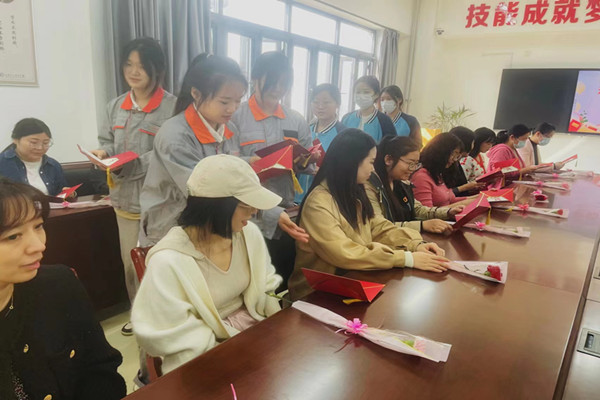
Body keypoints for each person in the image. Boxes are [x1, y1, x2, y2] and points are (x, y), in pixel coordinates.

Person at [132, 155, 283, 374]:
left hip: (254, 335)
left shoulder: (247, 234)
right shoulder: (168, 261)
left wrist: (275, 328)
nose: (254, 212)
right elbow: (169, 331)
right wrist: (232, 348)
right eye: (246, 205)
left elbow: (266, 284)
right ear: (217, 207)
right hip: (205, 354)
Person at [0, 178, 126, 400]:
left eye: (38, 226)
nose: (39, 245)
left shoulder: (58, 285)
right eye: (13, 236)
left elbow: (100, 369)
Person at [288, 129, 449, 301]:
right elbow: (343, 253)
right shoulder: (318, 203)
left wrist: (415, 245)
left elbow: (377, 226)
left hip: (353, 280)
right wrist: (406, 258)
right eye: (371, 162)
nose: (373, 169)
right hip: (316, 295)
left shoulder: (354, 191)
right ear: (352, 162)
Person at [90, 38, 176, 335]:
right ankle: (138, 314)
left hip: (161, 202)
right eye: (129, 64)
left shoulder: (172, 107)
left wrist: (133, 165)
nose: (134, 71)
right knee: (131, 264)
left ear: (157, 68)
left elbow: (170, 151)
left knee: (160, 261)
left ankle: (164, 318)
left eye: (141, 65)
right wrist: (103, 154)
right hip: (125, 201)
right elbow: (106, 142)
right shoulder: (115, 106)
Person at [139, 53, 247, 247]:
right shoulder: (175, 135)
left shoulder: (229, 129)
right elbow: (203, 188)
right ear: (196, 94)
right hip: (171, 230)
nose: (232, 109)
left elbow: (223, 167)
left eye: (238, 101)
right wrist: (264, 210)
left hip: (208, 226)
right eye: (224, 102)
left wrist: (248, 164)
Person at [230, 51, 312, 285]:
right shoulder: (236, 116)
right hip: (247, 215)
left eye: (284, 83)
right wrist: (252, 162)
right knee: (250, 281)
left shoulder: (295, 119)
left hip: (284, 212)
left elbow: (306, 162)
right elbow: (225, 162)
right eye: (272, 82)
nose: (278, 89)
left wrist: (306, 160)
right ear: (255, 78)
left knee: (281, 279)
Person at [365, 136, 464, 234]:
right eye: (410, 163)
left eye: (416, 164)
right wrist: (422, 225)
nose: (412, 169)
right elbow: (379, 226)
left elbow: (417, 209)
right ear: (388, 160)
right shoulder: (370, 186)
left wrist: (448, 212)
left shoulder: (402, 183)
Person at [295, 83, 347, 203]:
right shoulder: (305, 129)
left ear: (337, 104)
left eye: (326, 102)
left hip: (325, 199)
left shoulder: (343, 134)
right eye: (315, 102)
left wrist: (324, 172)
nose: (320, 106)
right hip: (298, 197)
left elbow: (347, 168)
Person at [0, 118, 68, 197]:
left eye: (45, 143)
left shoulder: (53, 165)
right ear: (15, 140)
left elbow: (61, 194)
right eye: (34, 142)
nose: (40, 147)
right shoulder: (2, 163)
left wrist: (68, 194)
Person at [410, 132, 475, 208]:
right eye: (453, 154)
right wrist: (470, 202)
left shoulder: (437, 174)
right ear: (441, 152)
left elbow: (451, 199)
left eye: (457, 156)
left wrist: (478, 198)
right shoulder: (421, 177)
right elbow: (428, 212)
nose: (454, 159)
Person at [341, 76, 396, 143]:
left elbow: (392, 146)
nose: (361, 96)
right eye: (358, 92)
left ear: (376, 94)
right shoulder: (346, 118)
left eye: (366, 92)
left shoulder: (384, 121)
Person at [444, 126, 486, 197]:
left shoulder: (456, 162)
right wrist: (465, 187)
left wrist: (472, 187)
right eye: (472, 142)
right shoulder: (448, 164)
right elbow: (444, 195)